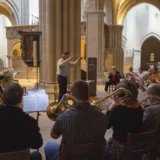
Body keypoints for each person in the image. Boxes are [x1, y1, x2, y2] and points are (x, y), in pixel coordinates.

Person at [45, 80, 108, 160]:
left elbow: (54, 136)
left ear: (72, 95)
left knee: (50, 145)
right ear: (88, 95)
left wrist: (61, 117)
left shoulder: (63, 117)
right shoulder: (103, 117)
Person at [0, 82, 43, 160]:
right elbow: (37, 144)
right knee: (36, 155)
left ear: (4, 97)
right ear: (21, 99)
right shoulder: (29, 121)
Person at [105, 80, 143, 160]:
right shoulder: (139, 108)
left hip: (120, 149)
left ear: (119, 94)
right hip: (137, 147)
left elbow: (106, 125)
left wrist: (110, 109)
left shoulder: (118, 110)